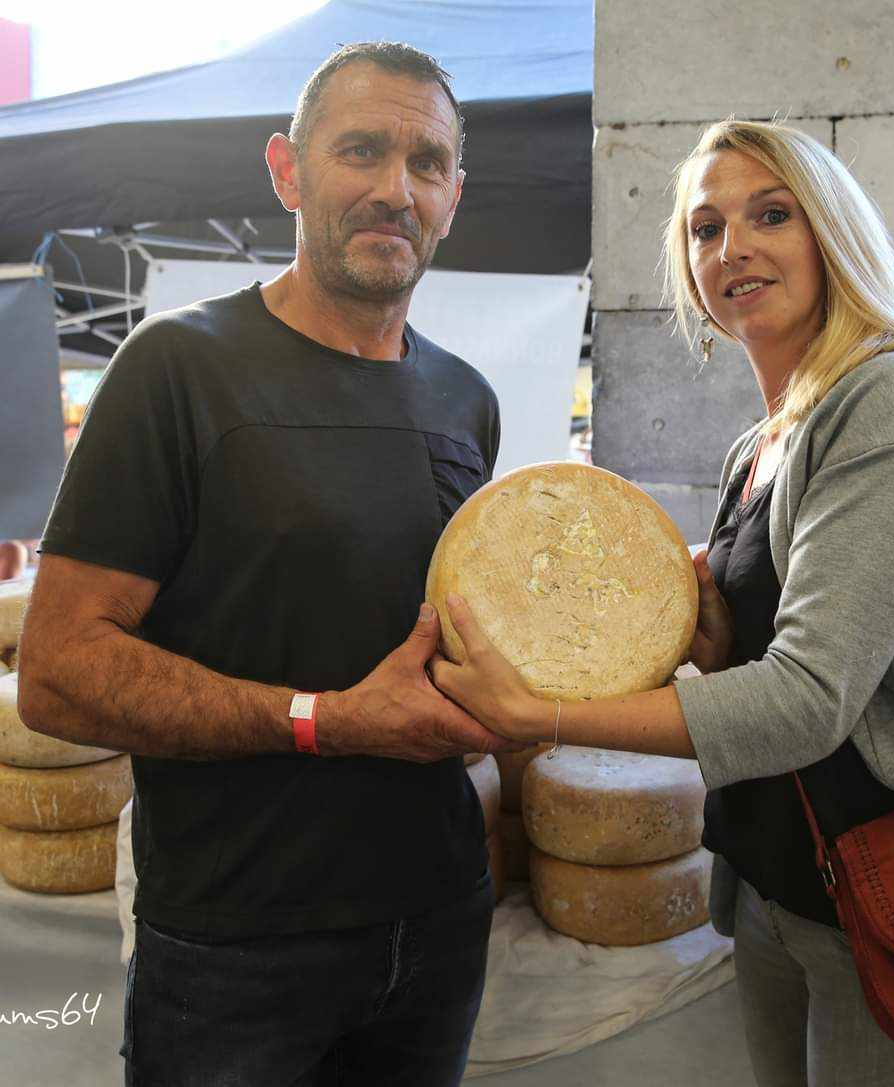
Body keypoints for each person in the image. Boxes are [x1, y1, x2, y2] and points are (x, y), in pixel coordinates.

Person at [430, 119, 894, 1086]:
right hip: (787, 879)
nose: (732, 247)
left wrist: (544, 714)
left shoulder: (893, 402)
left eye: (770, 214)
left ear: (832, 235)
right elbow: (787, 657)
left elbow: (810, 701)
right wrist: (720, 634)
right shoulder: (767, 438)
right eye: (703, 227)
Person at [18, 42, 522, 1087]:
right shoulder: (178, 367)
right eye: (361, 150)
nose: (395, 188)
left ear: (455, 196)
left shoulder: (466, 398)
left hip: (436, 923)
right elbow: (61, 672)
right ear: (287, 170)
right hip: (235, 946)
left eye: (426, 164)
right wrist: (322, 718)